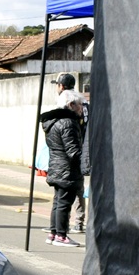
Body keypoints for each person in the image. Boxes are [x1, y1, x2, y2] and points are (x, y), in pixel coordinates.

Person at [40, 88, 84, 247]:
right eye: (79, 104)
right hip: (67, 170)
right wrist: (87, 162)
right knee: (64, 203)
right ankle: (61, 235)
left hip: (57, 167)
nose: (81, 108)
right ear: (71, 104)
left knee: (58, 202)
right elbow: (73, 151)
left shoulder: (54, 121)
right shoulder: (68, 123)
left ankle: (53, 233)